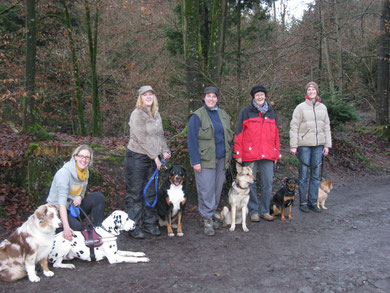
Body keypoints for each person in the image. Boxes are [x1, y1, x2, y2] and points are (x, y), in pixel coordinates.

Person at [125, 85, 171, 239]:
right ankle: (133, 226)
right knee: (136, 193)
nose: (148, 97)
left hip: (153, 159)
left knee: (151, 192)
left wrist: (165, 150)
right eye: (145, 95)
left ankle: (149, 223)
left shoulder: (156, 114)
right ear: (140, 98)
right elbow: (142, 138)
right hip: (137, 158)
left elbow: (160, 136)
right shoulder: (136, 114)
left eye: (151, 94)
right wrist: (156, 158)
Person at [187, 86, 234, 236]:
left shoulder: (223, 114)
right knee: (206, 190)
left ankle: (209, 215)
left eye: (214, 96)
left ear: (217, 99)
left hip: (222, 159)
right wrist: (195, 161)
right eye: (208, 96)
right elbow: (192, 139)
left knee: (216, 189)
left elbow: (229, 137)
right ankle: (207, 219)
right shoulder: (197, 116)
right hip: (205, 159)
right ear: (204, 98)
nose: (211, 99)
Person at [233, 85, 281, 222]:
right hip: (250, 154)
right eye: (257, 95)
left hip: (268, 155)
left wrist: (276, 154)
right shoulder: (246, 112)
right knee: (251, 183)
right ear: (253, 97)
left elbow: (276, 135)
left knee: (268, 183)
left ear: (265, 96)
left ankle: (265, 210)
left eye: (262, 94)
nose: (260, 97)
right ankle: (253, 211)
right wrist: (238, 154)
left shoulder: (271, 112)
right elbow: (239, 134)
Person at [47, 144, 105, 241]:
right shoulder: (64, 173)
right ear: (75, 157)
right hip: (58, 210)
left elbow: (82, 193)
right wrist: (66, 227)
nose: (84, 160)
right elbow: (61, 203)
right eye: (81, 156)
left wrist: (79, 197)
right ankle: (58, 231)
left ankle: (96, 232)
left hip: (74, 208)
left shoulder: (85, 172)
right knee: (77, 227)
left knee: (98, 197)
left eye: (87, 157)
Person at [289, 81, 332, 213]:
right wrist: (294, 145)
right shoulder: (300, 107)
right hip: (304, 146)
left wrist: (327, 145)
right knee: (303, 175)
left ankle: (313, 202)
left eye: (313, 89)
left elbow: (326, 127)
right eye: (309, 90)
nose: (311, 91)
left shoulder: (323, 107)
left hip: (319, 146)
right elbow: (294, 126)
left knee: (315, 176)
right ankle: (302, 202)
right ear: (306, 92)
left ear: (317, 91)